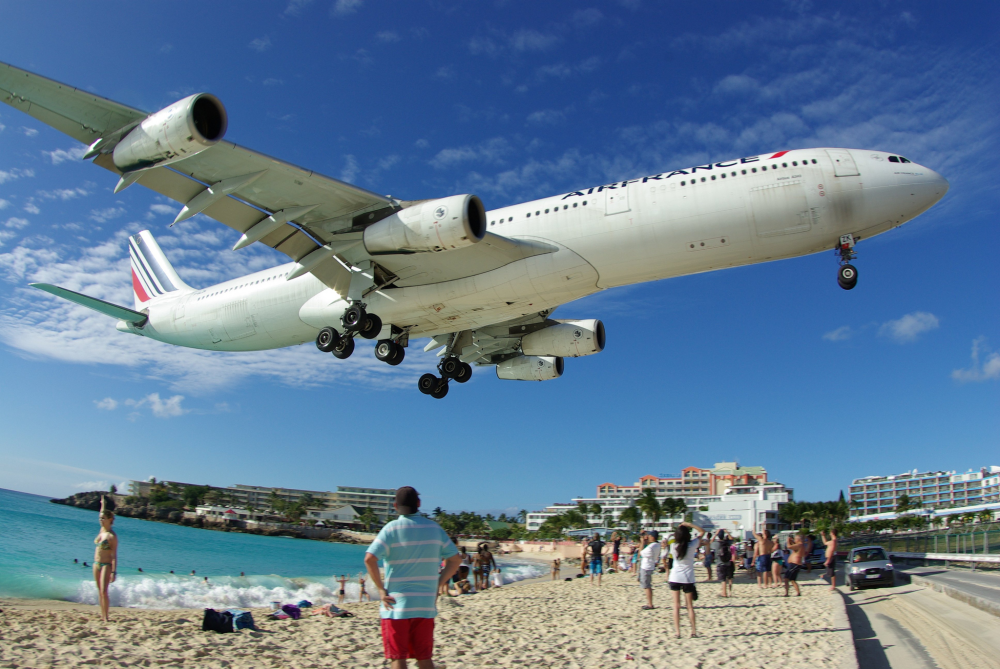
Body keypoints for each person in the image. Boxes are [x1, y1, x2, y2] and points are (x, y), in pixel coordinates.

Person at [364, 486, 461, 669]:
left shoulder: (391, 529)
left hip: (396, 605)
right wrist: (439, 584)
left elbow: (370, 559)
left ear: (395, 506)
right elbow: (455, 560)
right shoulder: (434, 528)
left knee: (398, 658)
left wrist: (380, 589)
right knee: (424, 658)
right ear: (419, 504)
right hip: (424, 604)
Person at [668, 522, 706, 639]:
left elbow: (674, 538)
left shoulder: (673, 545)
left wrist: (680, 528)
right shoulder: (692, 544)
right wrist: (690, 525)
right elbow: (702, 532)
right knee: (689, 606)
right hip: (688, 578)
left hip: (675, 577)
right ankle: (693, 631)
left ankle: (678, 632)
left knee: (676, 606)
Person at [92, 496, 118, 622]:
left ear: (110, 519)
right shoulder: (101, 531)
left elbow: (113, 555)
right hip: (96, 564)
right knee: (99, 591)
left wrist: (113, 572)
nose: (101, 520)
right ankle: (102, 614)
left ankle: (106, 616)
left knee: (103, 591)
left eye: (103, 518)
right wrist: (103, 504)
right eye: (100, 518)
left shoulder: (112, 536)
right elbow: (101, 512)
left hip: (106, 565)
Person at [638, 530, 661, 610]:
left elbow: (640, 553)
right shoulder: (657, 545)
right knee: (647, 585)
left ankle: (650, 604)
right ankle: (649, 603)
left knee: (646, 586)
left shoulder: (651, 547)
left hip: (646, 567)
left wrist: (642, 542)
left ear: (653, 537)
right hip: (649, 566)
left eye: (650, 536)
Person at [713, 530, 735, 598]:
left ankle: (724, 593)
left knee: (723, 579)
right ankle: (728, 592)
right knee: (727, 578)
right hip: (727, 562)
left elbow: (710, 542)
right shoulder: (727, 543)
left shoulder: (716, 543)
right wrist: (728, 532)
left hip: (720, 562)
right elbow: (732, 539)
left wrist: (715, 534)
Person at [784, 533, 805, 597]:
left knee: (786, 578)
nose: (794, 539)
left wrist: (788, 541)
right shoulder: (801, 545)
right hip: (795, 564)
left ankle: (787, 593)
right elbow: (794, 545)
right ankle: (798, 592)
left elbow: (789, 547)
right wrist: (791, 541)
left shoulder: (799, 545)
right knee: (792, 580)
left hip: (794, 564)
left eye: (795, 538)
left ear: (798, 539)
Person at [820, 527, 838, 591]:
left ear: (832, 533)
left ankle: (833, 586)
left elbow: (831, 551)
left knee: (831, 572)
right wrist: (823, 535)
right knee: (830, 572)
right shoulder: (833, 541)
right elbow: (825, 543)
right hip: (830, 557)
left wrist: (828, 560)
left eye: (830, 533)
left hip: (830, 557)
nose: (830, 534)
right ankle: (833, 585)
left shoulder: (833, 541)